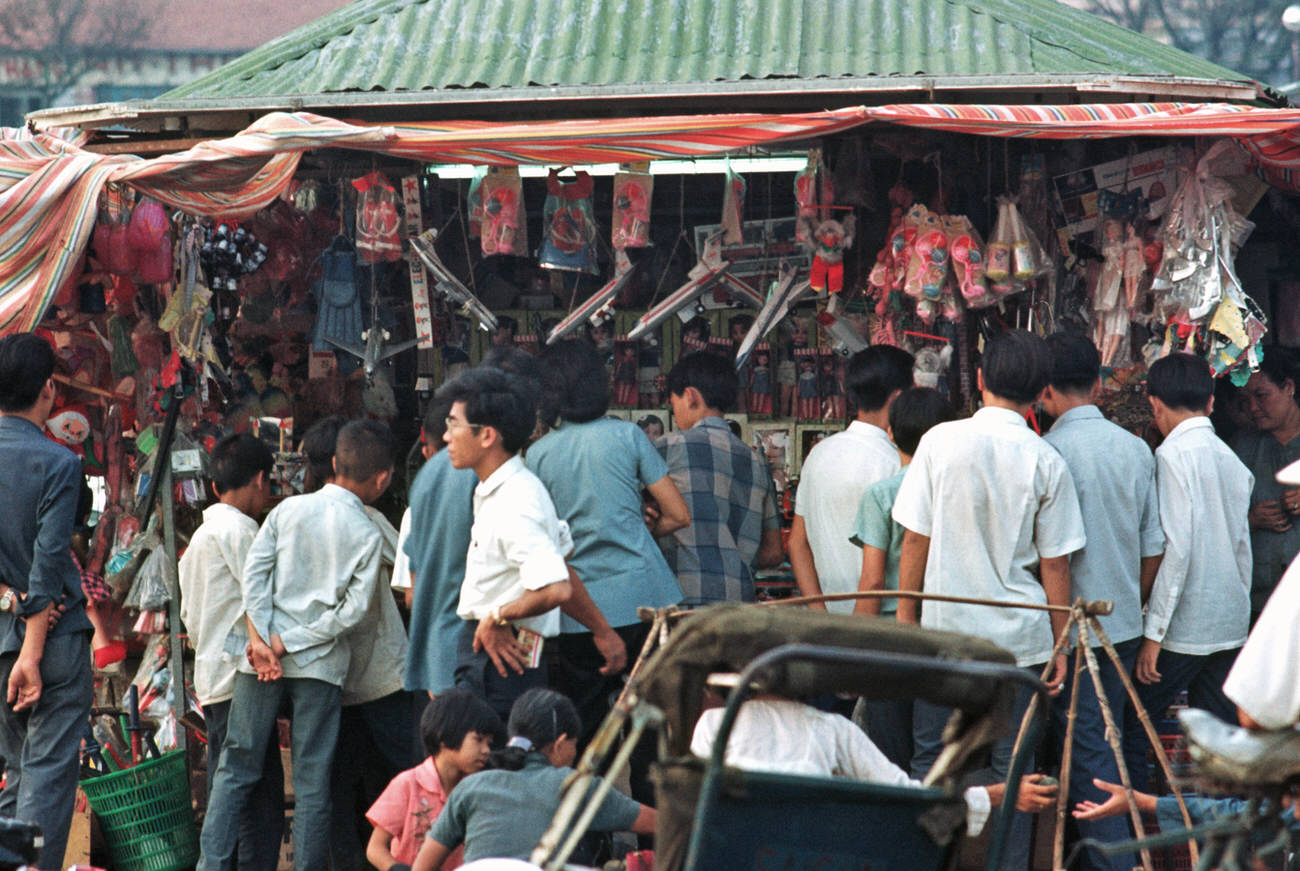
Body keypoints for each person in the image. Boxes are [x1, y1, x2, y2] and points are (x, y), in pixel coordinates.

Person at [892, 329, 1086, 871]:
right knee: (1014, 772)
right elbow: (1056, 565)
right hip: (1018, 647)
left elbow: (914, 540)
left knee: (932, 761)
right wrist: (1060, 646)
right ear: (1042, 391)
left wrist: (907, 624)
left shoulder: (939, 442)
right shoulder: (1046, 460)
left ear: (978, 380)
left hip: (945, 639)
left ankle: (924, 861)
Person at [198, 420, 394, 871]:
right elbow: (351, 613)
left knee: (235, 770)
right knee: (311, 783)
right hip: (320, 666)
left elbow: (255, 577)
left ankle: (210, 867)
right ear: (380, 479)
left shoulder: (287, 511)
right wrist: (288, 643)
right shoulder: (366, 531)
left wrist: (265, 640)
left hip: (261, 660)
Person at [528, 339, 689, 774]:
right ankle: (653, 835)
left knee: (585, 733)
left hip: (578, 611)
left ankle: (591, 836)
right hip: (646, 603)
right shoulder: (628, 435)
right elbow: (678, 514)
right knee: (651, 729)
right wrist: (642, 527)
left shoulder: (539, 455)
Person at [1039, 332, 1164, 871]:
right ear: (1099, 383)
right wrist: (1127, 601)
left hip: (1073, 634)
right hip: (1124, 628)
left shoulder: (1048, 453)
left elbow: (1050, 561)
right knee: (1114, 747)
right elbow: (1155, 548)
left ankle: (1115, 863)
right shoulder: (1136, 448)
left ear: (1043, 391)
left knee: (1089, 754)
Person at [1121, 352, 1253, 792]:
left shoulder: (1172, 457)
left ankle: (1141, 830)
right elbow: (1241, 551)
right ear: (1212, 403)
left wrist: (1153, 636)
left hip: (1185, 628)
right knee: (1219, 746)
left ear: (1155, 405)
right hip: (1229, 624)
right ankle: (1219, 844)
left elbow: (1173, 551)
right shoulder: (1231, 460)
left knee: (1133, 727)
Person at [299, 415, 415, 871]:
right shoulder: (366, 518)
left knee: (339, 782)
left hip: (329, 676)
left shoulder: (294, 516)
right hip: (382, 674)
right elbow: (407, 571)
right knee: (403, 771)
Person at [690, 695, 1058, 838]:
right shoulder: (830, 727)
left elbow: (696, 808)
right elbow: (904, 795)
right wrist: (996, 794)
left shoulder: (713, 725)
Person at [0, 333, 94, 871]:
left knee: (15, 773)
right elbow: (49, 559)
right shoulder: (57, 464)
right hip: (49, 646)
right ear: (49, 391)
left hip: (1, 641)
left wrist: (10, 604)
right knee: (46, 779)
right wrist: (30, 652)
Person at [436, 367, 574, 721]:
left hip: (500, 661)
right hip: (499, 652)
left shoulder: (516, 499)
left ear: (487, 436)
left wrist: (498, 616)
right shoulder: (504, 489)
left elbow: (557, 588)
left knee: (490, 765)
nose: (446, 436)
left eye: (454, 425)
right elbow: (563, 554)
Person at [178, 433, 284, 871]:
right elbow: (260, 601)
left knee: (232, 786)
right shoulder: (241, 530)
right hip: (239, 677)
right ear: (261, 480)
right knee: (257, 796)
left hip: (212, 679)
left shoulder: (201, 539)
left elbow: (189, 616)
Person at [412, 689, 655, 870]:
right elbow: (661, 823)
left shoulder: (470, 786)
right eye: (574, 745)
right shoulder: (576, 785)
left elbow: (423, 866)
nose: (574, 754)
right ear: (560, 744)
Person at [848, 386, 955, 769]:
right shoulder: (953, 491)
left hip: (891, 639)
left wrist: (857, 647)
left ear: (890, 433)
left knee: (889, 757)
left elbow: (873, 581)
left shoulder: (880, 495)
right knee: (937, 755)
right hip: (944, 630)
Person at [789, 345, 914, 612]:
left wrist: (818, 613)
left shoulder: (818, 454)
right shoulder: (896, 464)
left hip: (828, 624)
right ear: (898, 398)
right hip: (877, 626)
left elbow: (797, 543)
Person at [654, 352, 783, 604]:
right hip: (738, 607)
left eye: (674, 402)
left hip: (681, 605)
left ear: (689, 396)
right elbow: (774, 552)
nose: (675, 413)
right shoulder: (756, 461)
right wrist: (734, 557)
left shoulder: (667, 447)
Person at [366, 690, 502, 871]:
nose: (486, 750)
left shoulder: (478, 789)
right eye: (478, 740)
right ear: (444, 736)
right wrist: (396, 868)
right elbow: (375, 848)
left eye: (489, 743)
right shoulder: (408, 783)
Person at [1232, 348, 1300, 621]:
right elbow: (1215, 517)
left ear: (1288, 387)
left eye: (1261, 396)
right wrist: (1249, 519)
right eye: (1245, 400)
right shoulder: (1242, 447)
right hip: (1259, 599)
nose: (1252, 408)